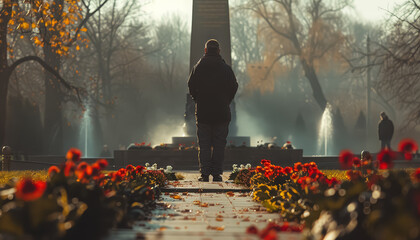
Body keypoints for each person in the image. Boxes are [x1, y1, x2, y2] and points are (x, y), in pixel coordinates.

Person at [188, 39, 238, 182]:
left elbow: (190, 85)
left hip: (203, 111)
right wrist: (227, 100)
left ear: (205, 51)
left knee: (203, 144)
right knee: (219, 144)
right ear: (219, 51)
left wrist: (197, 98)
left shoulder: (198, 67)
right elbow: (234, 86)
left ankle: (204, 174)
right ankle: (216, 174)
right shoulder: (226, 69)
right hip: (221, 112)